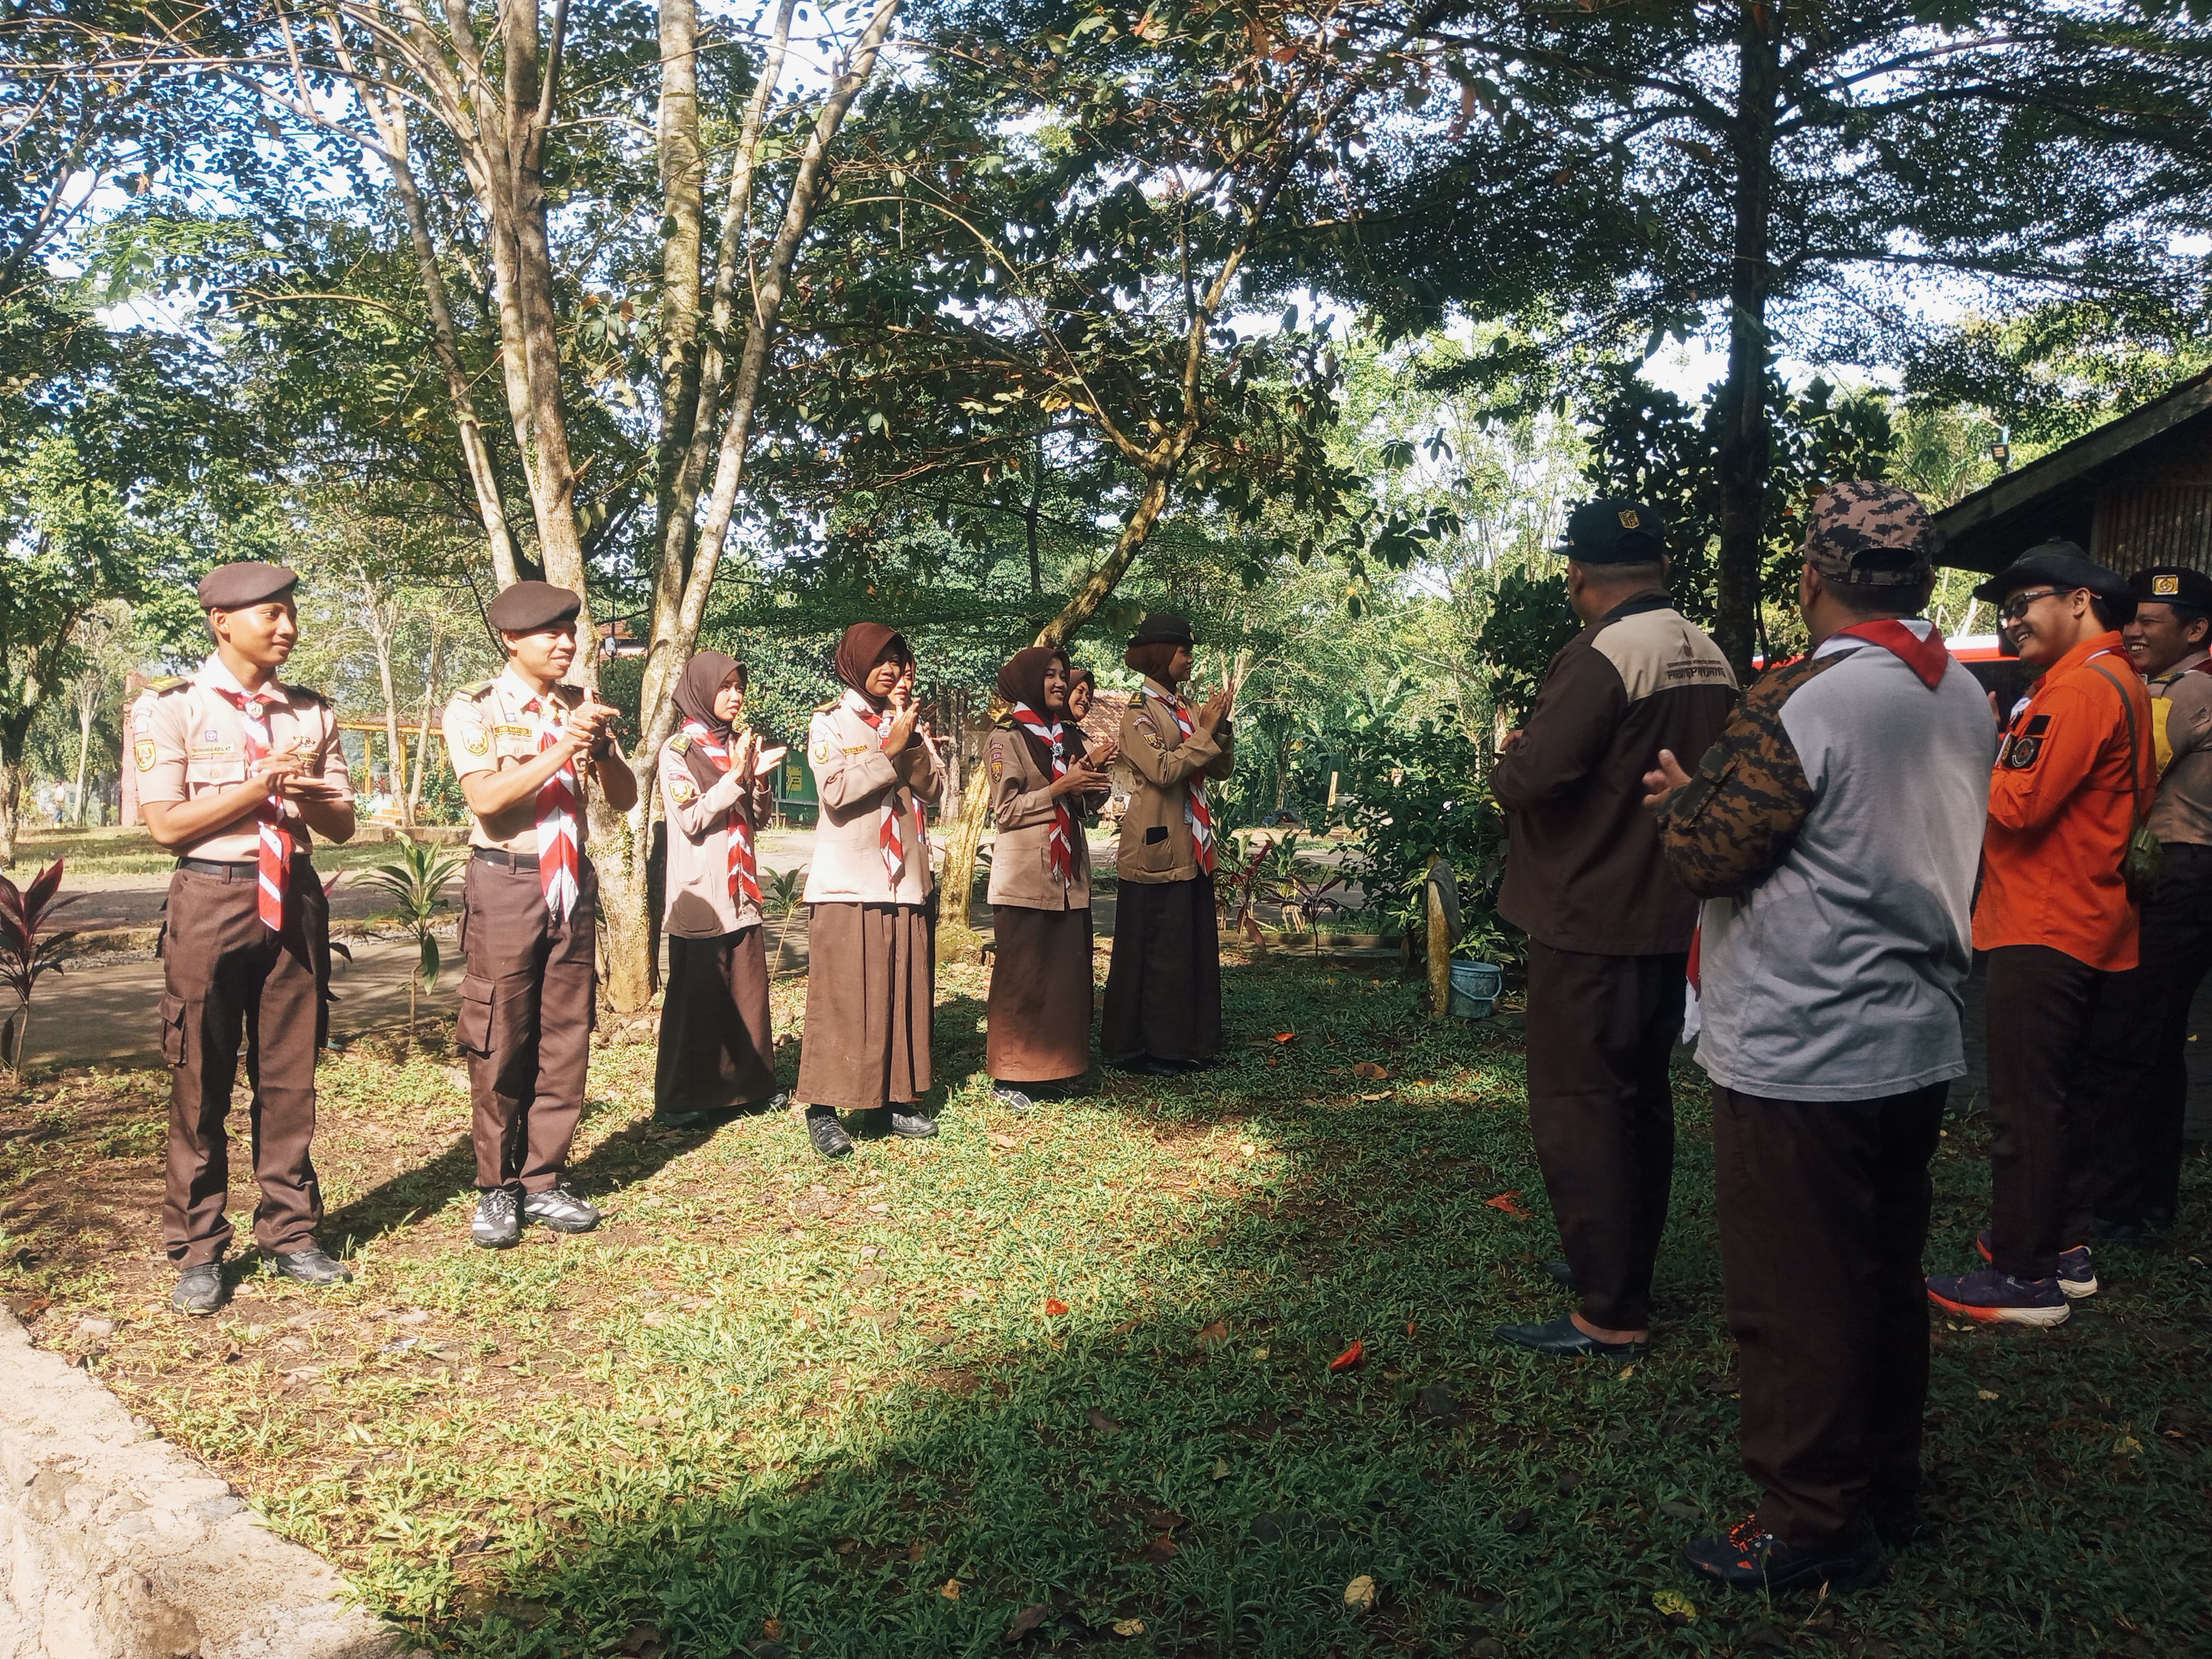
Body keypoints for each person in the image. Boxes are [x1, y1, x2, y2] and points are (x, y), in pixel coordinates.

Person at [1645, 483, 1992, 1593]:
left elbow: (1712, 853)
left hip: (1802, 1045)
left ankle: (1808, 1524)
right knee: (1881, 1275)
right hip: (1912, 1036)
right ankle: (1884, 1488)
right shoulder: (1963, 700)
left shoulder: (1808, 700)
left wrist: (1676, 802)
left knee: (1794, 1292)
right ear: (1922, 584)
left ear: (1811, 581)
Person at [1490, 499, 1737, 1359]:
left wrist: (1509, 754)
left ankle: (1609, 1309)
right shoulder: (1710, 652)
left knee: (1581, 1105)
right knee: (1641, 1098)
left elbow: (1535, 775)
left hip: (1591, 915)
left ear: (1579, 575)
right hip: (1675, 913)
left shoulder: (1603, 653)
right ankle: (1621, 1263)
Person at [1925, 544, 2153, 1325]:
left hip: (2044, 922)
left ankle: (2025, 1277)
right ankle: (2062, 1247)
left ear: (2083, 602)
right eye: (2007, 607)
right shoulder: (2114, 682)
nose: (2013, 620)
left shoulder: (2079, 691)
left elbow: (2019, 806)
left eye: (2028, 604)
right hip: (2083, 915)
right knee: (2061, 1096)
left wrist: (1973, 755)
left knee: (2026, 1104)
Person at [136, 561, 358, 1316]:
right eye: (273, 615)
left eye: (292, 613)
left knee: (290, 1074)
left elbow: (344, 824)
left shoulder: (312, 712)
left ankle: (292, 1233)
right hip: (210, 896)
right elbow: (166, 826)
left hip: (294, 894)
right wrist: (256, 787)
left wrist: (307, 796)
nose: (288, 627)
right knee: (200, 1075)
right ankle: (199, 1249)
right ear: (221, 621)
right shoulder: (172, 709)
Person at [443, 581, 637, 1248]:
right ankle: (496, 1188)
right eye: (550, 634)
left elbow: (625, 796)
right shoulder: (475, 707)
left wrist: (603, 747)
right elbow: (489, 801)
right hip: (507, 880)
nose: (566, 644)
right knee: (500, 1035)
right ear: (510, 641)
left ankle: (544, 1179)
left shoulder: (583, 704)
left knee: (564, 1036)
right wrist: (561, 745)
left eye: (571, 632)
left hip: (569, 882)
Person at [2075, 565, 2212, 1240]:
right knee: (2154, 1043)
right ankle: (2148, 1200)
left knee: (2128, 1040)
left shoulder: (2188, 691)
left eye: (2149, 622)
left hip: (2178, 877)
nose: (2131, 630)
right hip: (2182, 878)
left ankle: (2117, 1205)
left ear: (2194, 631)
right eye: (2129, 618)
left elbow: (2130, 764)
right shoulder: (2175, 685)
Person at [795, 622, 943, 1156]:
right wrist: (888, 750)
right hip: (847, 883)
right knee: (842, 998)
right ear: (855, 662)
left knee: (898, 992)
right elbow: (834, 792)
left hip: (902, 879)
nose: (889, 670)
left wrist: (909, 743)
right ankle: (822, 1108)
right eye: (880, 660)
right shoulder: (830, 723)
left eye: (897, 661)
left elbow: (934, 789)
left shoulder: (902, 722)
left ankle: (893, 1100)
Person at [654, 650, 788, 1127]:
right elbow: (690, 818)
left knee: (748, 989)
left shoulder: (739, 744)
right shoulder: (679, 751)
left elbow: (756, 818)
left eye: (740, 687)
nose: (735, 697)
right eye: (726, 687)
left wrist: (758, 781)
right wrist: (734, 776)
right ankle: (684, 1095)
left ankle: (749, 1087)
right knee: (699, 996)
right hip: (702, 891)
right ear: (701, 690)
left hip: (740, 885)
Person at [984, 647, 1116, 1110]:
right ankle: (1011, 1075)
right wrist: (1061, 787)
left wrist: (1094, 778)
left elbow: (1082, 808)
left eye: (1064, 675)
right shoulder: (1008, 738)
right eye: (1051, 676)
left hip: (1067, 875)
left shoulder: (1064, 738)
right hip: (1026, 874)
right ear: (1028, 682)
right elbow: (1006, 811)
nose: (1060, 684)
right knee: (1023, 977)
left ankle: (1054, 1068)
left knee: (1064, 977)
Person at [1101, 612, 1234, 1075]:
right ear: (1161, 655)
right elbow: (1161, 771)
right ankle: (1147, 1048)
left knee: (1190, 948)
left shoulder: (1185, 707)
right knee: (1156, 950)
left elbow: (1219, 769)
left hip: (1193, 846)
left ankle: (1186, 1043)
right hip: (1156, 847)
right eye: (1184, 651)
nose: (1190, 659)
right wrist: (1203, 733)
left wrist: (1220, 726)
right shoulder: (1140, 711)